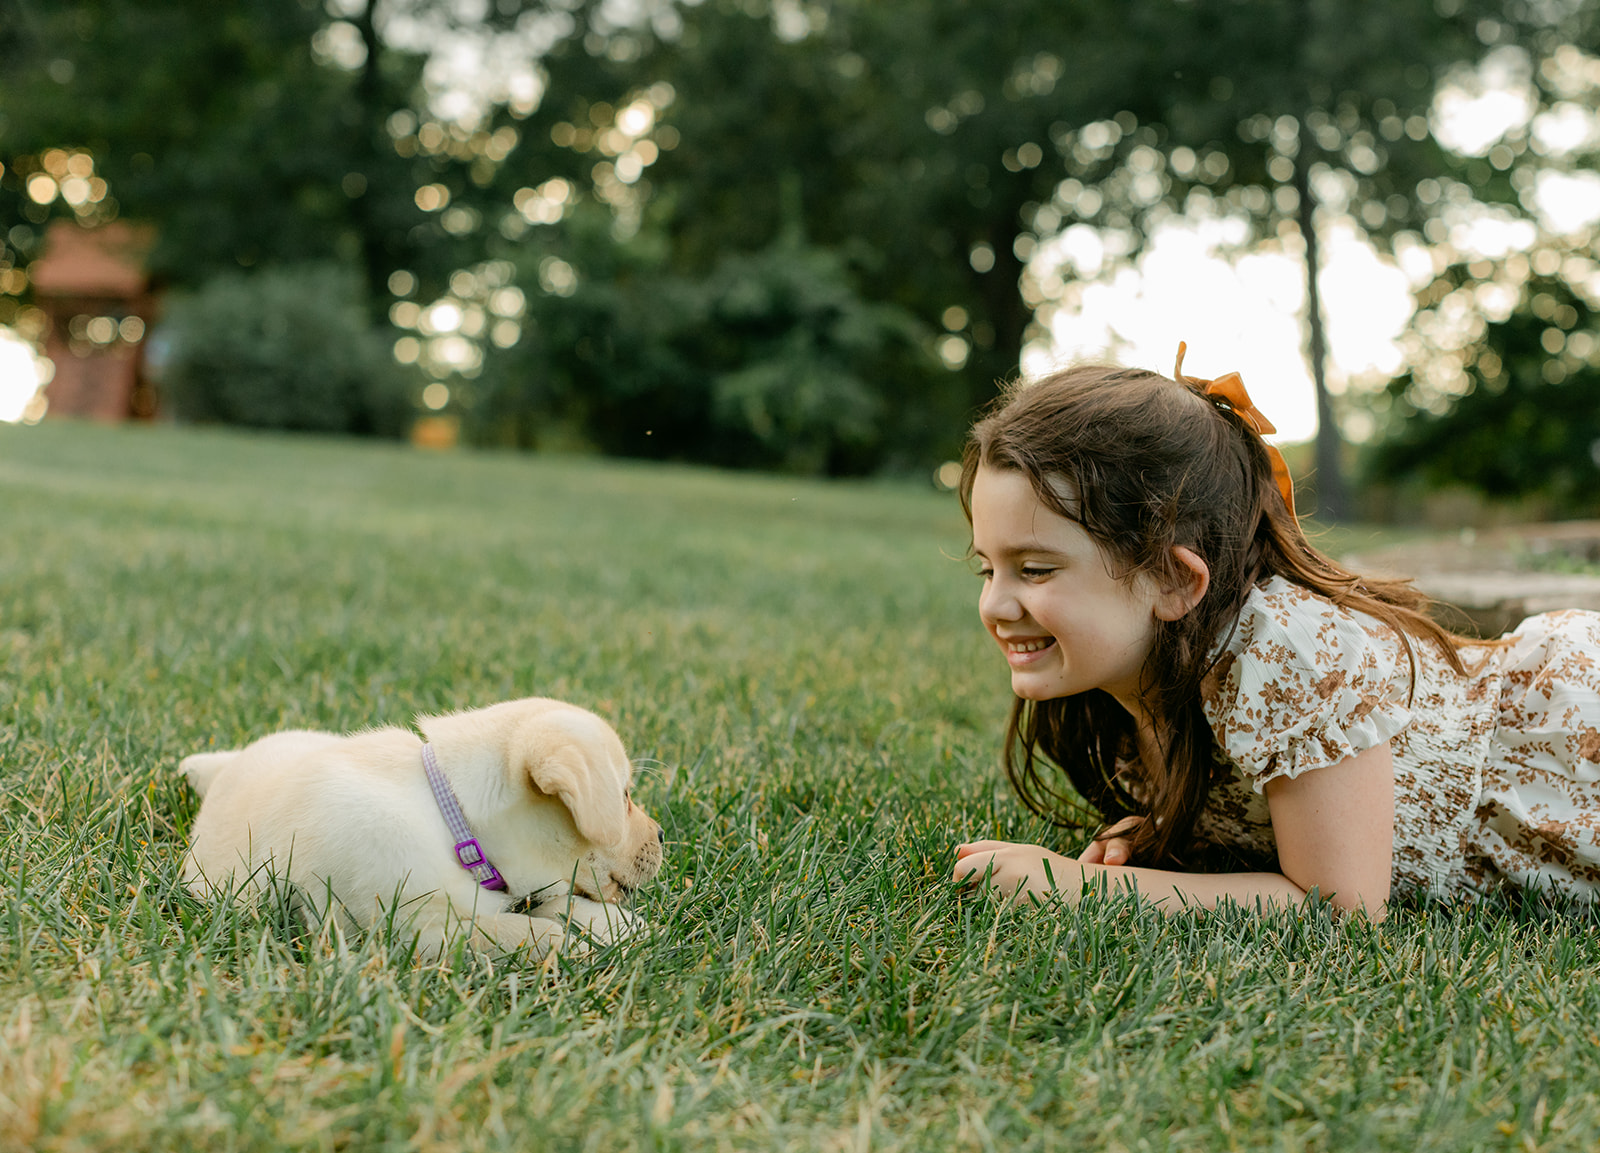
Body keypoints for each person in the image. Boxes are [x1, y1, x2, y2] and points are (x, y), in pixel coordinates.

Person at [951, 346, 1600, 918]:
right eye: (987, 567)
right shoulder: (1119, 676)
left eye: (1035, 569)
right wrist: (1175, 830)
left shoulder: (1286, 654)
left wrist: (1076, 885)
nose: (997, 603)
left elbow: (1342, 906)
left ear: (1176, 581)